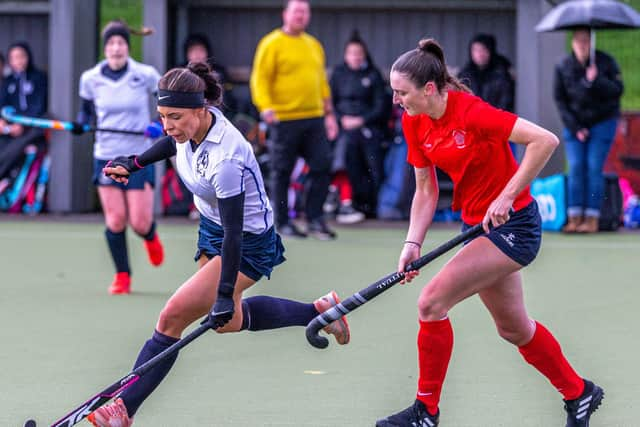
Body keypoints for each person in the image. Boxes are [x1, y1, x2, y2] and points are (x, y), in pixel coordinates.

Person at [85, 62, 350, 427]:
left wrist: (224, 293)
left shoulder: (227, 156)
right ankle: (320, 311)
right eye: (163, 116)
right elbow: (172, 144)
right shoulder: (188, 130)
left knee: (172, 316)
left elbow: (236, 234)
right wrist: (134, 162)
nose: (168, 125)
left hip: (247, 242)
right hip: (213, 229)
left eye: (175, 116)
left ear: (201, 110)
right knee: (228, 323)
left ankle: (124, 409)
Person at [376, 39, 603, 427]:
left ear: (429, 89)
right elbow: (426, 190)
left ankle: (425, 411)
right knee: (514, 328)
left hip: (514, 225)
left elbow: (544, 141)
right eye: (395, 92)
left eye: (402, 92)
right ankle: (579, 393)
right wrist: (412, 242)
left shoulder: (473, 113)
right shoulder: (413, 121)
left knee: (430, 302)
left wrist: (508, 194)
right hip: (476, 226)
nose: (397, 100)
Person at [75, 20, 165, 295]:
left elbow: (166, 106)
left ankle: (149, 235)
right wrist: (80, 124)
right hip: (106, 155)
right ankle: (123, 276)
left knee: (138, 222)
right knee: (115, 220)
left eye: (120, 43)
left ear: (127, 46)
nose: (116, 48)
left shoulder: (146, 74)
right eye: (111, 43)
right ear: (105, 48)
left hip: (139, 155)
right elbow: (86, 113)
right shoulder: (91, 79)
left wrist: (157, 124)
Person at [250, 0, 339, 240]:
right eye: (296, 11)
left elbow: (321, 82)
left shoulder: (314, 45)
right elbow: (260, 79)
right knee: (282, 171)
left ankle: (315, 219)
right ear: (285, 14)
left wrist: (330, 115)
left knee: (322, 164)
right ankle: (282, 222)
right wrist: (265, 107)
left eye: (304, 12)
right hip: (283, 119)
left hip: (314, 118)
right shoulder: (271, 43)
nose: (300, 16)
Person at [553, 28, 623, 234]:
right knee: (575, 168)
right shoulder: (563, 66)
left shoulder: (605, 62)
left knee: (594, 168)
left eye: (586, 41)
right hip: (575, 126)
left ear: (591, 43)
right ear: (573, 43)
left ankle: (592, 217)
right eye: (578, 41)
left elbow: (617, 91)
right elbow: (560, 100)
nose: (582, 45)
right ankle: (574, 217)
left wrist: (596, 80)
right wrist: (576, 128)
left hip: (602, 123)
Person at [329, 30, 388, 223]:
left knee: (365, 155)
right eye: (351, 53)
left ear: (364, 55)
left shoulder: (373, 74)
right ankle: (343, 200)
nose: (355, 57)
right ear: (346, 55)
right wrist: (340, 120)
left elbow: (381, 106)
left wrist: (361, 120)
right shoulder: (338, 74)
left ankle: (364, 204)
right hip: (341, 128)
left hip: (369, 128)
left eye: (359, 53)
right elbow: (330, 103)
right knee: (345, 146)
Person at [0, 41, 48, 180]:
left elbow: (39, 107)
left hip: (32, 129)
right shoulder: (8, 81)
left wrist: (23, 124)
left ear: (28, 57)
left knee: (11, 151)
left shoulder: (39, 78)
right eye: (14, 58)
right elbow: (3, 104)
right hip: (11, 129)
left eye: (21, 56)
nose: (18, 61)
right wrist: (2, 122)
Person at [183, 33, 237, 118]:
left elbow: (227, 100)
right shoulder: (181, 73)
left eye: (201, 50)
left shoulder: (218, 72)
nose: (197, 54)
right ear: (187, 54)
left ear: (207, 52)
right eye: (193, 51)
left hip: (216, 116)